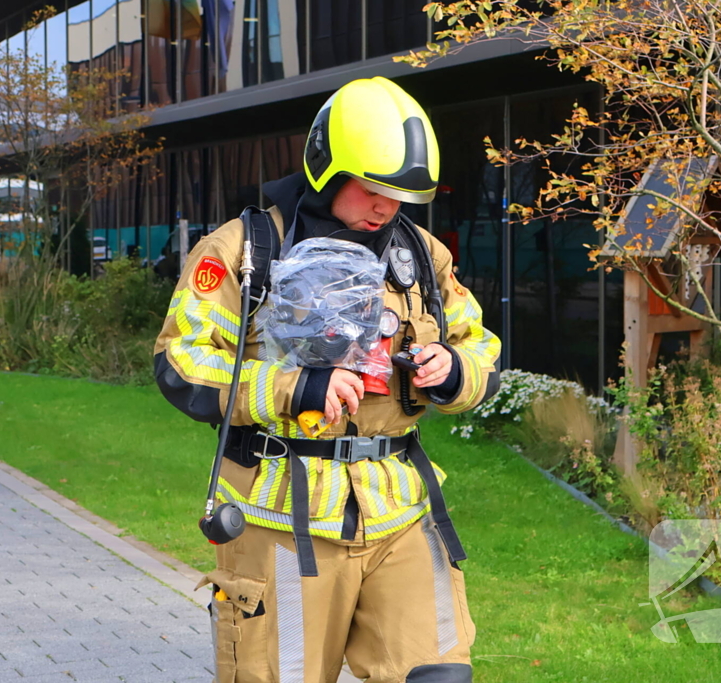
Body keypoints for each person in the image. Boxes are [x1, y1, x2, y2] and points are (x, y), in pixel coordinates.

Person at [154, 76, 501, 683]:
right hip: (281, 523)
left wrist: (454, 372)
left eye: (399, 196)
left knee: (440, 676)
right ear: (326, 170)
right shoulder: (241, 251)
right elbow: (180, 362)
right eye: (372, 190)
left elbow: (479, 346)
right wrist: (294, 389)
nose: (385, 209)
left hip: (399, 515)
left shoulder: (420, 254)